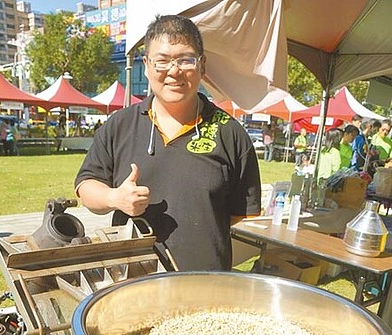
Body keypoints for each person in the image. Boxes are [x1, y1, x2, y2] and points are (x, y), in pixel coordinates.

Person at [75, 14, 261, 271]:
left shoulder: (231, 133)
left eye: (186, 59)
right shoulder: (119, 125)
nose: (174, 71)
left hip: (205, 282)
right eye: (162, 61)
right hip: (131, 280)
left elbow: (237, 213)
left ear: (202, 65)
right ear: (147, 65)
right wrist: (113, 197)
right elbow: (86, 187)